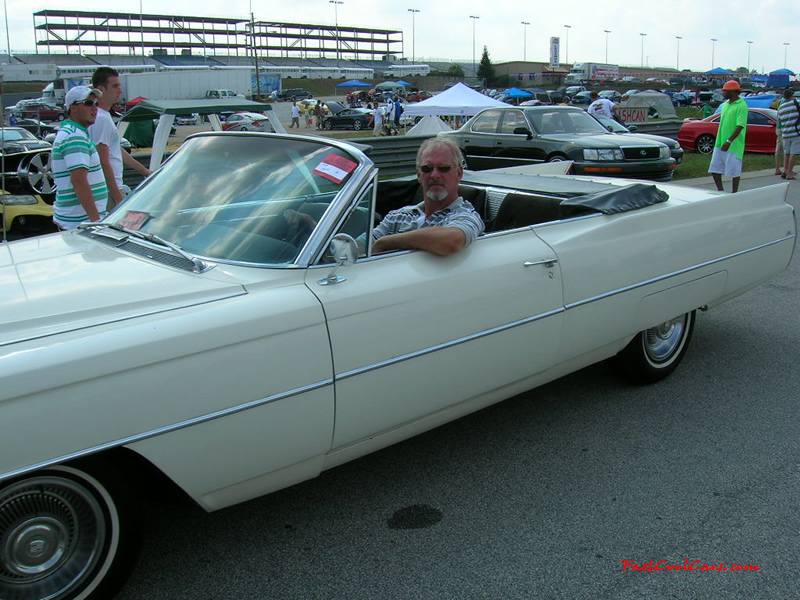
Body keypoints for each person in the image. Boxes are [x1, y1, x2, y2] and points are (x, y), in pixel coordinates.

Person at [370, 137, 484, 255]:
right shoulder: (397, 216)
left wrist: (384, 243)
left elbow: (450, 242)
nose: (434, 175)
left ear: (459, 173)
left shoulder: (467, 216)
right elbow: (363, 245)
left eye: (443, 168)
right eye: (427, 169)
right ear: (419, 174)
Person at [89, 66, 152, 209]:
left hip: (112, 189)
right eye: (115, 86)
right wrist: (117, 196)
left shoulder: (103, 116)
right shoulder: (102, 119)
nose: (120, 91)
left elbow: (115, 150)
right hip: (109, 192)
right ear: (101, 89)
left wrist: (144, 171)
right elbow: (103, 161)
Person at [51, 86, 109, 229]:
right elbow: (79, 181)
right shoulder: (75, 137)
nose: (94, 108)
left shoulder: (73, 132)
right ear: (73, 108)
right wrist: (96, 222)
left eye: (96, 104)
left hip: (75, 221)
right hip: (79, 224)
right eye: (88, 103)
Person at [708, 80, 747, 193]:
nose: (723, 93)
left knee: (734, 171)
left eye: (725, 91)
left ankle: (734, 193)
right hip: (720, 142)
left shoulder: (741, 105)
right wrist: (722, 140)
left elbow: (740, 126)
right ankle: (720, 191)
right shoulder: (724, 105)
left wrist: (729, 141)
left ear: (733, 92)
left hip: (734, 144)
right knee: (715, 168)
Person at [777, 87, 800, 180]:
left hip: (785, 133)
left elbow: (780, 120)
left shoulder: (781, 107)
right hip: (795, 132)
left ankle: (785, 170)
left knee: (787, 153)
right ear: (792, 95)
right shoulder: (796, 103)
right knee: (793, 153)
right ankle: (790, 173)